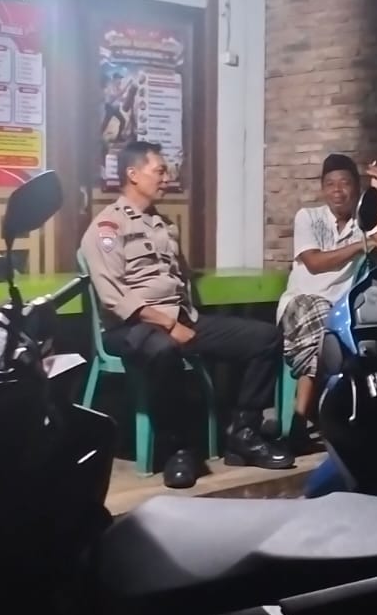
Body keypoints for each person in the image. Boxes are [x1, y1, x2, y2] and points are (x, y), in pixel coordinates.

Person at [81, 141, 294, 489]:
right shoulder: (107, 228)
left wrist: (181, 319)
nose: (166, 178)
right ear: (133, 175)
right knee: (164, 350)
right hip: (132, 327)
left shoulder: (163, 225)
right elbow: (113, 298)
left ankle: (244, 435)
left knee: (265, 338)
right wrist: (168, 324)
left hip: (181, 317)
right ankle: (176, 448)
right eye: (159, 171)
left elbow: (180, 276)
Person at [275, 154, 377, 447]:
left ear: (356, 187)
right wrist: (361, 246)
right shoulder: (308, 217)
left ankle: (304, 422)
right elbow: (315, 263)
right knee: (322, 323)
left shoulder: (362, 221)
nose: (337, 191)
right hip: (299, 303)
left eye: (345, 183)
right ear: (322, 189)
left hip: (338, 311)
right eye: (330, 184)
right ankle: (301, 420)